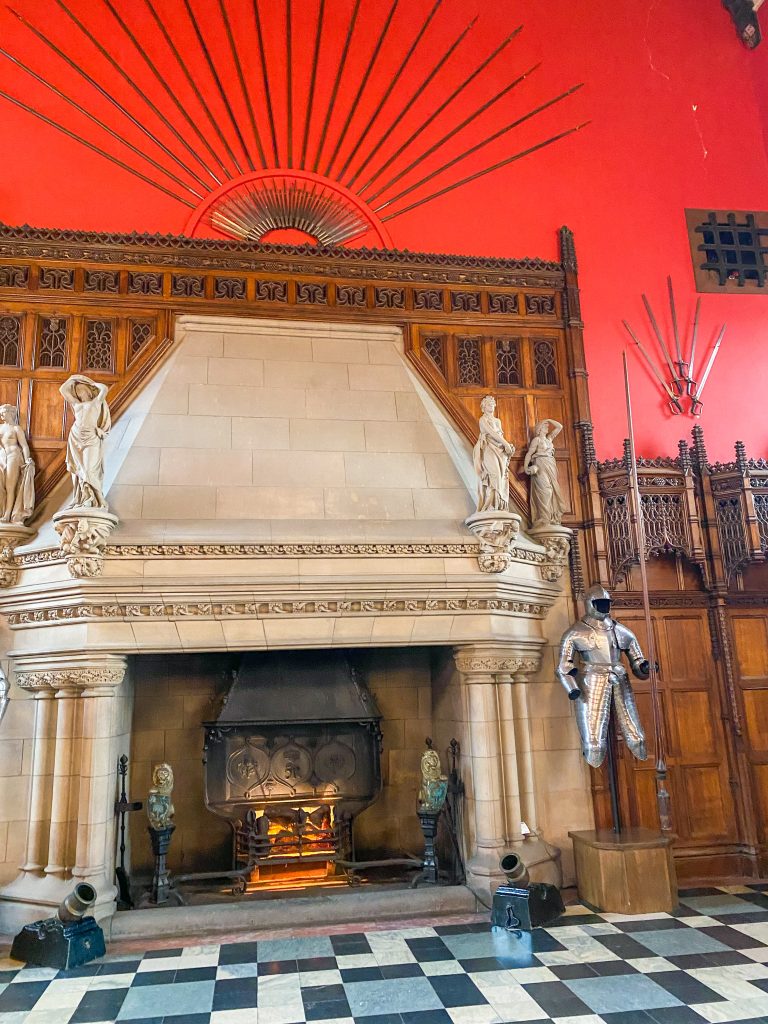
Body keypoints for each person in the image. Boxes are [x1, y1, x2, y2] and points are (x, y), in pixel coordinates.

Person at [557, 583, 649, 768]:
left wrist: (645, 667)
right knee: (594, 741)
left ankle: (639, 752)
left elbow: (637, 661)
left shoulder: (620, 630)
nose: (603, 607)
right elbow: (563, 667)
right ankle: (594, 758)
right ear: (590, 604)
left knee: (636, 735)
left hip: (620, 678)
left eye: (606, 603)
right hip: (592, 680)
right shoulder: (576, 632)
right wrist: (573, 689)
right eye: (599, 603)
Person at [59, 375, 111, 509]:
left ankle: (99, 499)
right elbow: (63, 390)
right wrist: (73, 378)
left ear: (87, 390)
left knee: (88, 470)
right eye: (76, 391)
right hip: (75, 437)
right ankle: (85, 498)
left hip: (91, 438)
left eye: (81, 390)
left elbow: (104, 389)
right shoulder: (77, 404)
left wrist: (93, 385)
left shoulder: (95, 403)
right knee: (80, 470)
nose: (78, 393)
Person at [472, 395, 515, 512]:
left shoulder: (497, 421)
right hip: (489, 448)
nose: (491, 405)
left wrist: (507, 447)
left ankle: (498, 505)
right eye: (488, 403)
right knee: (494, 474)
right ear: (483, 407)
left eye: (492, 403)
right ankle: (490, 505)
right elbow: (492, 433)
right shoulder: (483, 419)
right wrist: (506, 444)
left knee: (501, 477)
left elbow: (500, 436)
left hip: (500, 451)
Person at [523, 418, 565, 526]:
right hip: (540, 464)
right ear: (540, 428)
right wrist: (526, 467)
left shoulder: (549, 439)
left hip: (551, 464)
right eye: (545, 426)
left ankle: (551, 518)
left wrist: (549, 420)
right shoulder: (537, 440)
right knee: (545, 491)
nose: (548, 427)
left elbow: (559, 427)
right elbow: (529, 453)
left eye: (547, 426)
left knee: (552, 491)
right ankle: (544, 519)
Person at [0, 404, 34, 524]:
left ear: (11, 413)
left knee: (10, 486)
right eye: (1, 413)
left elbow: (24, 446)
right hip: (2, 457)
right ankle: (2, 510)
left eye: (4, 412)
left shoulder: (16, 428)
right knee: (1, 485)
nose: (2, 415)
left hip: (14, 455)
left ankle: (8, 513)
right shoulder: (0, 428)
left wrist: (27, 459)